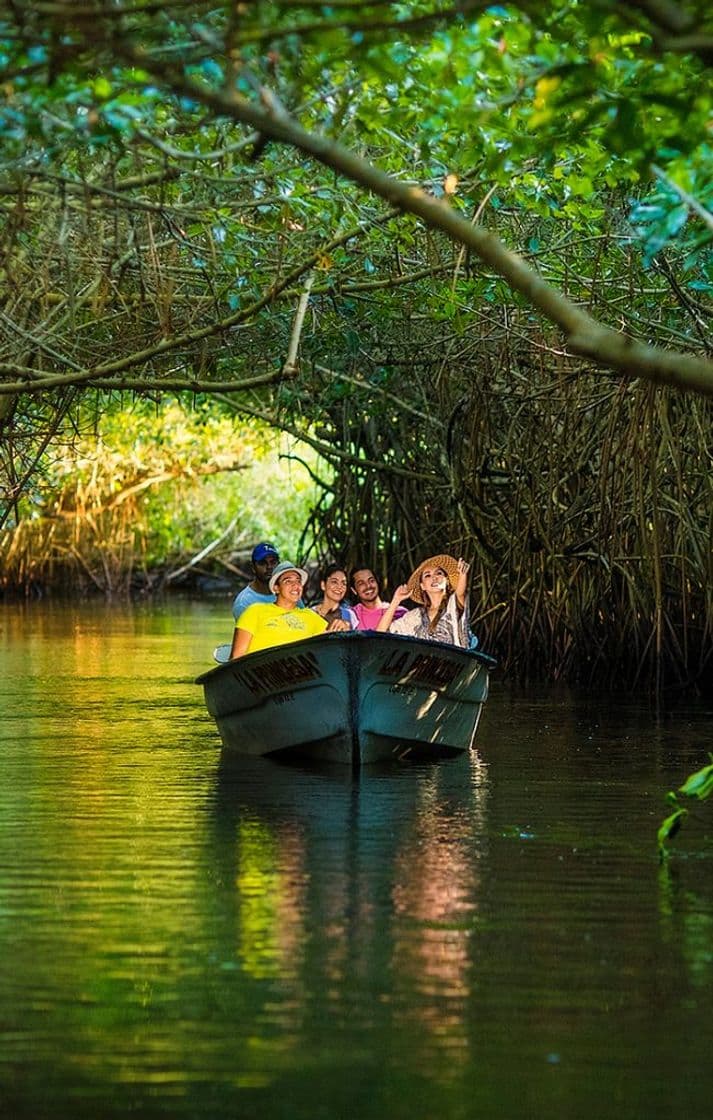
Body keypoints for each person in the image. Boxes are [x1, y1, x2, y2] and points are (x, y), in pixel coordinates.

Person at [230, 561, 348, 659]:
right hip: (261, 677)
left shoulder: (311, 616)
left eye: (298, 581)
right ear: (276, 588)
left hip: (299, 676)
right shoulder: (254, 611)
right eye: (288, 581)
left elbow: (332, 645)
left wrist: (343, 628)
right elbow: (236, 658)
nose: (296, 585)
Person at [376, 554, 471, 647]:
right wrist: (396, 600)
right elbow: (380, 633)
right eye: (427, 575)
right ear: (422, 586)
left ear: (446, 581)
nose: (434, 578)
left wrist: (462, 575)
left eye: (439, 573)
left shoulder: (453, 604)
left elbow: (460, 593)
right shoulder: (415, 616)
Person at [232, 541, 294, 621]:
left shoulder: (289, 591)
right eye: (262, 563)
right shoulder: (244, 603)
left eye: (273, 562)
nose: (269, 567)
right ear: (253, 567)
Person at [349, 565, 407, 631]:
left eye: (371, 580)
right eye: (361, 583)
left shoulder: (399, 612)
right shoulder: (352, 615)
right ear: (354, 590)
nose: (368, 586)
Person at [310, 564, 358, 628]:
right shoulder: (310, 614)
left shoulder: (350, 615)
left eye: (344, 583)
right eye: (334, 582)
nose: (339, 587)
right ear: (323, 585)